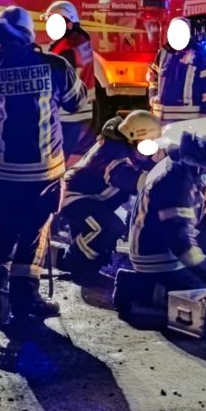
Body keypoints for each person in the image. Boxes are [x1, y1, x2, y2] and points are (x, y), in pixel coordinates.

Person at [0, 5, 89, 326]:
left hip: (1, 174)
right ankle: (25, 300)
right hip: (43, 174)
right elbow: (78, 101)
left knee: (2, 233)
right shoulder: (54, 66)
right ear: (30, 35)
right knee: (33, 236)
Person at [115, 132, 206, 327]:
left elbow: (181, 211)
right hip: (157, 257)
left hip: (157, 243)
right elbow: (179, 239)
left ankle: (163, 284)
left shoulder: (186, 165)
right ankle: (145, 290)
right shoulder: (177, 180)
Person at [55, 110, 161, 284]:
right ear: (134, 139)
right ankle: (73, 263)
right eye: (148, 143)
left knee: (102, 236)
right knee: (109, 227)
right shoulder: (114, 155)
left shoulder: (124, 146)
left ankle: (85, 267)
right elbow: (130, 179)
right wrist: (164, 178)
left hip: (91, 199)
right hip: (73, 198)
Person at [42, 0, 97, 155]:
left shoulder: (67, 48)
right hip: (81, 109)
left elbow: (57, 80)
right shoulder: (81, 40)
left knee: (56, 156)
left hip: (66, 112)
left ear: (70, 24)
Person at [147, 20, 206, 123]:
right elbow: (153, 79)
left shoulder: (201, 54)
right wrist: (152, 98)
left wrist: (205, 115)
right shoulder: (163, 53)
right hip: (161, 121)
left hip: (188, 122)